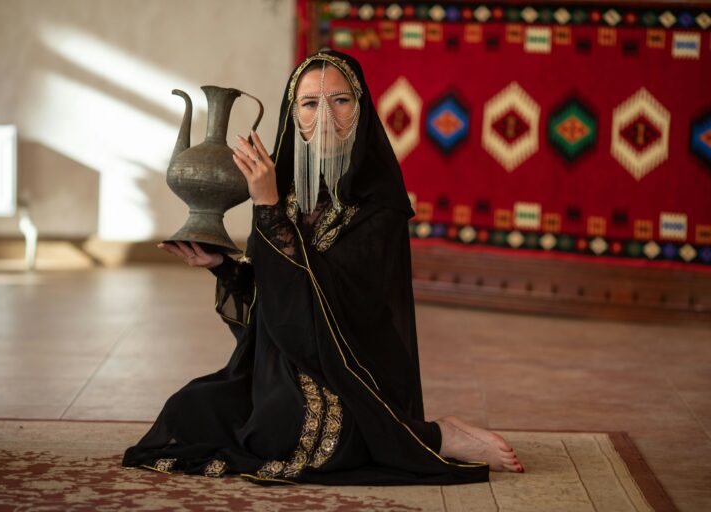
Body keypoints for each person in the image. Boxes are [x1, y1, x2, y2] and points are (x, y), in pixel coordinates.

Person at [122, 49, 523, 485]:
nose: (325, 115)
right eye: (310, 103)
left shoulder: (378, 203)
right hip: (281, 361)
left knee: (291, 434)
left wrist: (266, 206)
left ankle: (434, 435)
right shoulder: (286, 193)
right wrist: (223, 265)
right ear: (294, 115)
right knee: (189, 410)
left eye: (341, 100)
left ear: (361, 107)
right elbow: (271, 299)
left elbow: (342, 306)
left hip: (350, 365)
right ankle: (415, 433)